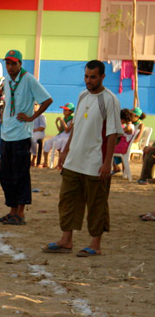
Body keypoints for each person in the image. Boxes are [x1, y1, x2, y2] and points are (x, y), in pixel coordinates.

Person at [42, 60, 121, 257]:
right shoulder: (82, 95)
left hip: (96, 162)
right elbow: (76, 125)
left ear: (102, 77)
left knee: (97, 203)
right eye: (86, 76)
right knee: (67, 199)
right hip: (74, 160)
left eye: (93, 77)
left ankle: (95, 245)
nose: (88, 80)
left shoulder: (110, 100)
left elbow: (112, 134)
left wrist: (107, 163)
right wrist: (65, 151)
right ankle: (66, 240)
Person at [0, 50, 52, 226]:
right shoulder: (8, 80)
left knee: (20, 175)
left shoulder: (28, 79)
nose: (10, 67)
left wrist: (32, 118)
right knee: (5, 176)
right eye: (8, 64)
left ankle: (20, 214)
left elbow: (47, 99)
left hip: (21, 135)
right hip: (7, 134)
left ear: (20, 64)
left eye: (13, 64)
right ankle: (11, 211)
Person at [41, 103, 75, 169]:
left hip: (67, 136)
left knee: (62, 143)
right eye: (63, 110)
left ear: (71, 111)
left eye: (66, 110)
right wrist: (57, 123)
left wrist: (62, 121)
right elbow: (60, 130)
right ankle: (45, 162)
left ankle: (60, 164)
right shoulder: (64, 118)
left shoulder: (72, 119)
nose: (64, 111)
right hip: (61, 135)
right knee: (47, 142)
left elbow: (67, 130)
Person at [112, 109, 135, 174]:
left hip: (122, 147)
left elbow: (118, 133)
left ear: (124, 119)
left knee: (107, 150)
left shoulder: (128, 127)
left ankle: (115, 167)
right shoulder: (130, 126)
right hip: (123, 146)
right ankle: (115, 167)